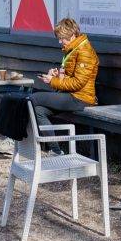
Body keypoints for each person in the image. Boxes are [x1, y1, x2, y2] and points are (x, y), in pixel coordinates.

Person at [32, 18, 100, 155]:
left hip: (80, 99)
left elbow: (78, 83)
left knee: (33, 98)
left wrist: (53, 81)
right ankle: (56, 151)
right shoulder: (73, 49)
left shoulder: (85, 51)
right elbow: (71, 78)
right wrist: (57, 76)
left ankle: (13, 137)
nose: (60, 41)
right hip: (70, 95)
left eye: (61, 38)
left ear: (72, 35)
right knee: (39, 110)